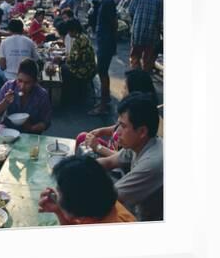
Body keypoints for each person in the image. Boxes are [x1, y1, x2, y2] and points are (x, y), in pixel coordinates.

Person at [96, 93, 163, 221]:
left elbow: (110, 198)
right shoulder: (139, 143)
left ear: (142, 131)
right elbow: (109, 162)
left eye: (123, 126)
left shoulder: (152, 163)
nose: (116, 132)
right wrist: (78, 168)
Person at [78, 69, 159, 157]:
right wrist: (101, 131)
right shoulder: (128, 110)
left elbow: (123, 159)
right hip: (111, 150)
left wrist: (98, 147)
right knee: (82, 137)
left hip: (114, 157)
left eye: (125, 88)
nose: (122, 91)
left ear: (134, 91)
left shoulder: (137, 125)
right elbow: (117, 127)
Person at [38, 156, 135, 225]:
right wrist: (60, 211)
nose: (56, 194)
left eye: (59, 192)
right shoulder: (103, 201)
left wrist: (63, 212)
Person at [0, 58, 52, 134]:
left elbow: (46, 122)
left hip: (30, 134)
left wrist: (32, 128)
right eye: (20, 81)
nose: (22, 86)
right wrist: (5, 102)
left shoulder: (42, 95)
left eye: (27, 83)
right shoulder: (9, 86)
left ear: (35, 82)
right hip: (7, 130)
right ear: (16, 77)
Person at [89, 0, 118, 115]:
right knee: (102, 72)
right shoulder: (105, 0)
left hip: (106, 42)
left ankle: (103, 105)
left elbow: (114, 23)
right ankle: (104, 101)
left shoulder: (108, 2)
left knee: (102, 72)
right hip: (104, 41)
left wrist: (111, 43)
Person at [0, 19, 38, 95]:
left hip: (9, 76)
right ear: (22, 29)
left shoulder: (4, 42)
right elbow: (35, 60)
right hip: (27, 76)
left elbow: (2, 67)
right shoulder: (29, 41)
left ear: (9, 30)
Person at [128, 0, 163, 72]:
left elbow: (130, 11)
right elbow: (160, 18)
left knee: (135, 58)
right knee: (147, 61)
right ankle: (145, 79)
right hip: (152, 35)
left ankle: (135, 78)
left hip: (138, 32)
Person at [60, 19, 96, 102]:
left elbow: (72, 59)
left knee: (63, 68)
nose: (68, 33)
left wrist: (61, 59)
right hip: (89, 66)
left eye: (69, 31)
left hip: (85, 69)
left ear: (74, 30)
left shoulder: (78, 40)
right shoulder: (83, 36)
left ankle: (70, 95)